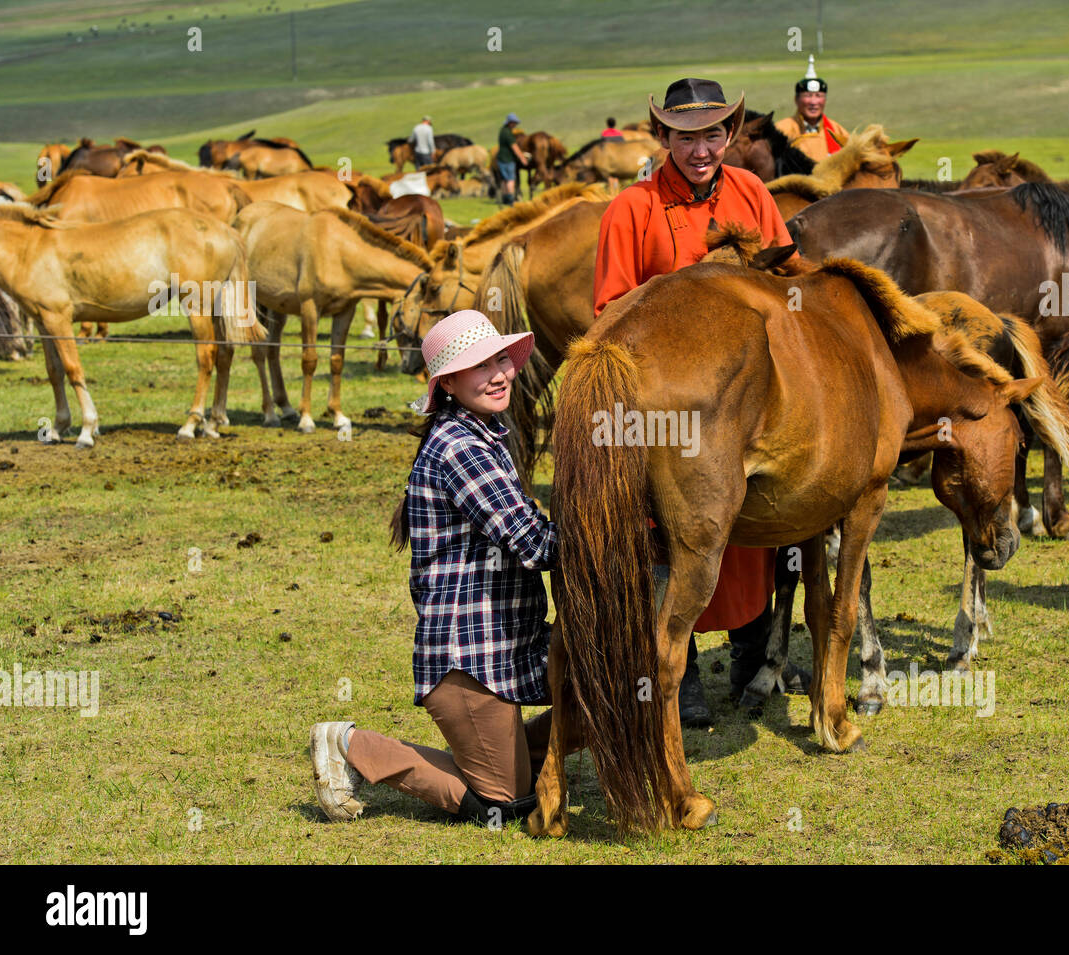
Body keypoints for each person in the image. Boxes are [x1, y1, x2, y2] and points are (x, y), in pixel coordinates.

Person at [593, 77, 811, 729]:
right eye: (685, 136)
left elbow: (787, 282)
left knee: (753, 531)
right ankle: (677, 672)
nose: (700, 148)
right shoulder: (629, 210)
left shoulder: (751, 193)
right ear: (662, 137)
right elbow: (608, 314)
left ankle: (749, 656)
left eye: (713, 133)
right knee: (670, 535)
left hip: (745, 399)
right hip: (667, 406)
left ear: (731, 135)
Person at [310, 309, 558, 825]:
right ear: (446, 382)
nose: (498, 374)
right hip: (469, 656)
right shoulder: (462, 446)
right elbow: (535, 544)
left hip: (507, 641)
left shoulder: (488, 433)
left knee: (605, 694)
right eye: (477, 366)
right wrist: (614, 536)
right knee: (504, 805)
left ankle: (507, 758)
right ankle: (351, 744)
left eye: (500, 360)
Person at [774, 56, 849, 163]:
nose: (813, 102)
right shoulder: (781, 130)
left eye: (818, 96)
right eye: (808, 95)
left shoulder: (837, 132)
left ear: (825, 100)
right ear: (796, 100)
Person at [497, 112, 529, 206]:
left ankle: (505, 198)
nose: (515, 125)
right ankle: (511, 199)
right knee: (510, 179)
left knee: (504, 179)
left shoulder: (502, 130)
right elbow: (514, 147)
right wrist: (522, 158)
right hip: (508, 159)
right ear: (510, 123)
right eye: (514, 123)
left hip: (500, 158)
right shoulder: (508, 134)